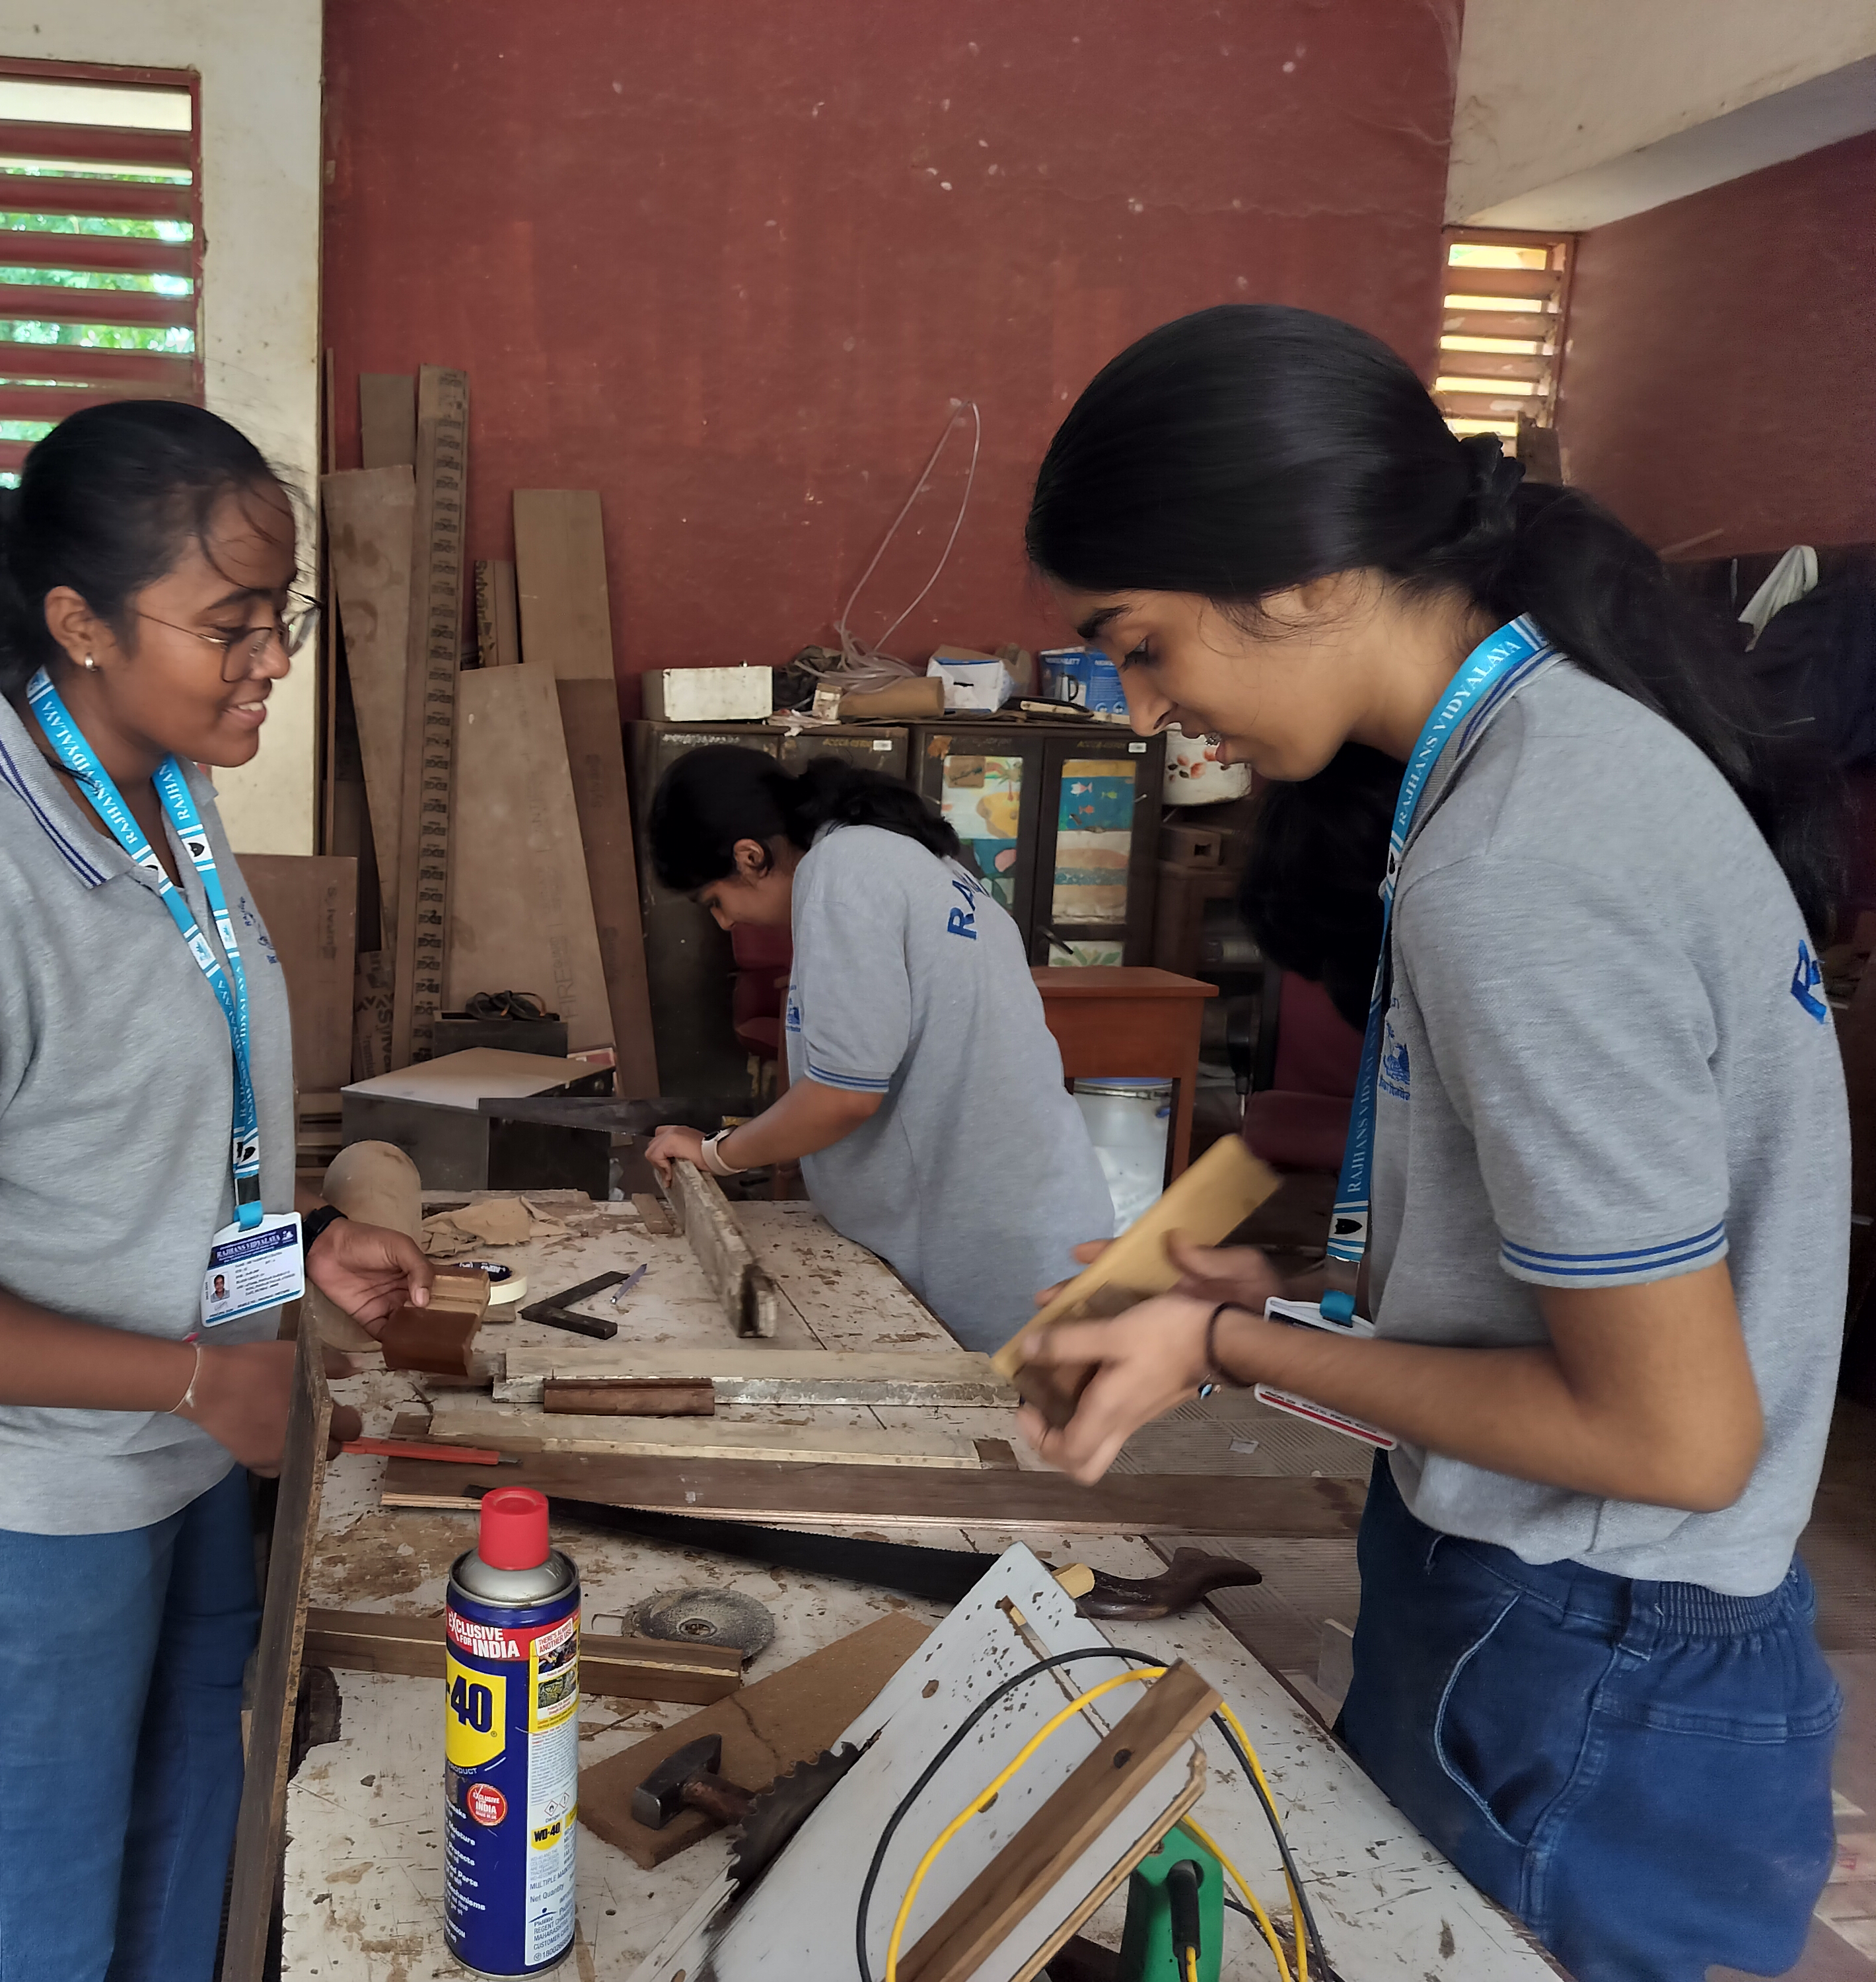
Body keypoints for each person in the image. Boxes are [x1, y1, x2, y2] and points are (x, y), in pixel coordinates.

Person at [1013, 303, 1844, 1981]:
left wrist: (1228, 1342)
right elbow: (1599, 1253)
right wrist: (1307, 1275)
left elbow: (1670, 1431)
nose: (1152, 708)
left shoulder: (1518, 852)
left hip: (1586, 1653)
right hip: (1597, 1629)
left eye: (1148, 643)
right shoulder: (1548, 757)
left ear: (1307, 579)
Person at [0, 400, 431, 1981]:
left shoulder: (159, 799)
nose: (271, 657)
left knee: (193, 1821)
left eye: (283, 614)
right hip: (6, 1488)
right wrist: (199, 1372)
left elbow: (162, 1151)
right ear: (76, 622)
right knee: (35, 1904)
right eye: (229, 624)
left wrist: (304, 1255)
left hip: (182, 1437)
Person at [640, 748, 1114, 1350]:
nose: (727, 925)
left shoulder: (842, 875)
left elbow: (844, 1096)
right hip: (1031, 1217)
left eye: (714, 902)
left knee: (1009, 1434)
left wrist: (716, 1155)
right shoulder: (900, 856)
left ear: (749, 856)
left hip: (994, 1243)